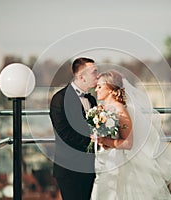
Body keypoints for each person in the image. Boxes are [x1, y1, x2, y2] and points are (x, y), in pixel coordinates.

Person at [91, 70, 171, 200]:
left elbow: (128, 143)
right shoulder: (104, 109)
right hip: (107, 160)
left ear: (111, 89)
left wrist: (104, 140)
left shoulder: (120, 111)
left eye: (100, 86)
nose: (96, 89)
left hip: (121, 164)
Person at [49, 57, 98, 200]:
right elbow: (64, 133)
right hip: (69, 168)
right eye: (94, 72)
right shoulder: (59, 99)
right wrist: (92, 141)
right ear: (81, 77)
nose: (98, 75)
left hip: (89, 166)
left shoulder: (92, 99)